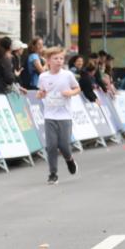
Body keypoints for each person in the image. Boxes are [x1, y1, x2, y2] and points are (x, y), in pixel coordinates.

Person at [36, 46, 81, 185]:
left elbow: (77, 88)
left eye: (61, 58)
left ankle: (69, 160)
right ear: (48, 61)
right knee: (51, 146)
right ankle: (53, 174)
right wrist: (41, 94)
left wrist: (70, 93)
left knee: (64, 146)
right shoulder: (43, 76)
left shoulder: (67, 75)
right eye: (55, 58)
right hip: (49, 116)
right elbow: (40, 92)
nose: (59, 61)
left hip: (65, 116)